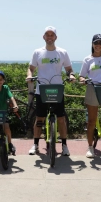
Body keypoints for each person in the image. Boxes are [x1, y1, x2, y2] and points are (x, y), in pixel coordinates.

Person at [26, 26, 76, 156]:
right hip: (41, 89)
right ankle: (35, 144)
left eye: (52, 35)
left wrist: (71, 75)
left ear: (56, 37)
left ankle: (64, 145)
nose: (49, 37)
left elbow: (69, 69)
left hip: (57, 89)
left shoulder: (62, 52)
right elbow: (31, 68)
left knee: (61, 118)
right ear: (43, 37)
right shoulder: (37, 52)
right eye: (47, 35)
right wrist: (29, 76)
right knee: (39, 118)